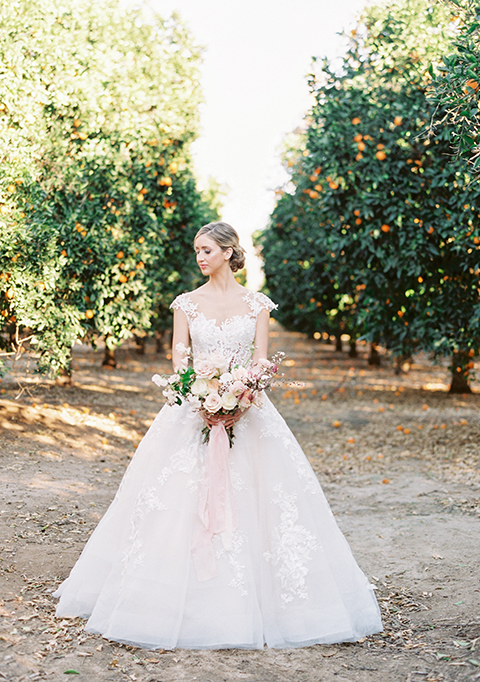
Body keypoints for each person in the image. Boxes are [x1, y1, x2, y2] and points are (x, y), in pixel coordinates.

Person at [54, 221, 383, 650]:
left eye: (207, 249)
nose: (200, 257)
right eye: (196, 251)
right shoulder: (186, 304)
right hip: (193, 413)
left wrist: (240, 399)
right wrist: (201, 399)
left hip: (248, 414)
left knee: (264, 502)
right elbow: (180, 361)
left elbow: (262, 363)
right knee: (172, 502)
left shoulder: (258, 304)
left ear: (229, 252)